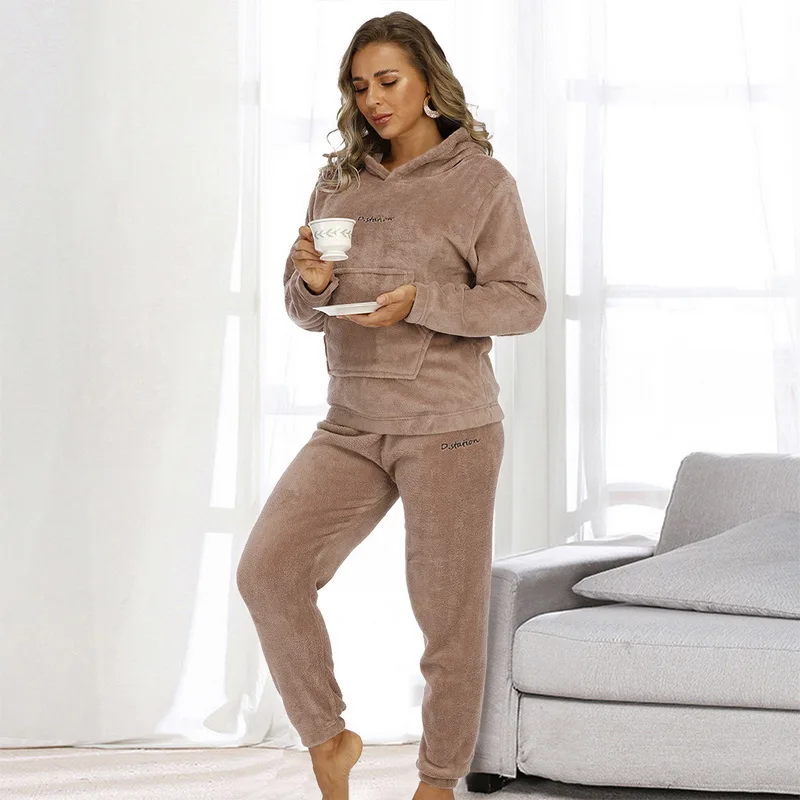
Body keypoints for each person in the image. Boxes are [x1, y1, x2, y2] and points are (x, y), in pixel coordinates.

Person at [236, 11, 546, 800]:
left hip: (450, 429)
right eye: (359, 85)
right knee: (269, 571)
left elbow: (522, 302)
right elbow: (305, 310)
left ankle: (437, 781)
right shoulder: (338, 180)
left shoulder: (481, 183)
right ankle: (328, 736)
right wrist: (311, 283)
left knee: (447, 621)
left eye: (388, 81)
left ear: (428, 82)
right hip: (351, 422)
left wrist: (422, 302)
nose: (372, 99)